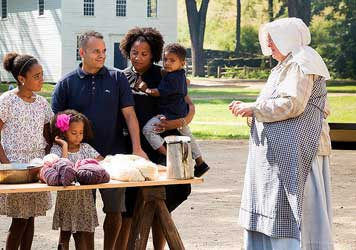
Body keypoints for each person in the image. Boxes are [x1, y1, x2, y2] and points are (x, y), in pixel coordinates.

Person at [228, 17, 333, 250]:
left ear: (287, 39)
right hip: (281, 151)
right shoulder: (286, 64)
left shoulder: (302, 63)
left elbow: (292, 104)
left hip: (299, 152)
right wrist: (251, 109)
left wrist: (253, 108)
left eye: (273, 40)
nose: (269, 46)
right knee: (271, 204)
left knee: (289, 207)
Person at [52, 30, 148, 250]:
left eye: (104, 51)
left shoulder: (117, 78)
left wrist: (136, 147)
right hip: (78, 162)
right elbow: (56, 124)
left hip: (113, 159)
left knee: (115, 211)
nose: (102, 55)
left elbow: (130, 115)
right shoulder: (66, 83)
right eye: (96, 51)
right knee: (82, 215)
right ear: (82, 52)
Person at [117, 27, 208, 250]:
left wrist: (179, 122)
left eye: (145, 53)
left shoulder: (165, 74)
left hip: (164, 141)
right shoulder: (121, 77)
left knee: (163, 204)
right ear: (128, 51)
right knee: (128, 208)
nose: (138, 58)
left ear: (154, 54)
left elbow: (188, 105)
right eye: (134, 53)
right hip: (134, 147)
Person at [0, 52, 53, 250]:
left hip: (36, 168)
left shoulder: (42, 103)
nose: (41, 79)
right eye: (36, 76)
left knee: (31, 218)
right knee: (19, 220)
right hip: (15, 171)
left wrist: (47, 162)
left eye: (42, 74)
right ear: (21, 79)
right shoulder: (7, 100)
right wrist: (9, 166)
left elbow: (48, 136)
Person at [138, 42, 210, 177]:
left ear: (182, 63)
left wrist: (145, 88)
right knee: (188, 136)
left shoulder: (172, 79)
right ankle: (200, 162)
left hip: (170, 115)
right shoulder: (180, 75)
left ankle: (166, 154)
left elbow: (157, 92)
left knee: (148, 130)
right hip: (179, 112)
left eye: (172, 60)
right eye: (165, 59)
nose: (167, 63)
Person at [50, 109, 104, 250]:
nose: (78, 136)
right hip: (66, 199)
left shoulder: (85, 148)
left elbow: (101, 161)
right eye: (74, 133)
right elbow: (63, 168)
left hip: (84, 199)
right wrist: (65, 146)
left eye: (81, 132)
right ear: (63, 132)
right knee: (64, 235)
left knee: (81, 235)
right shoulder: (57, 149)